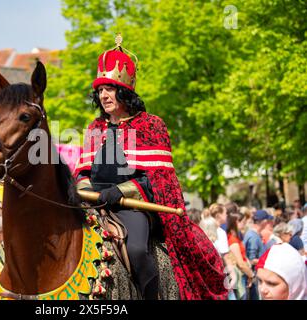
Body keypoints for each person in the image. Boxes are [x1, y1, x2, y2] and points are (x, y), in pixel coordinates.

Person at [73, 36, 226, 300]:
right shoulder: (95, 128)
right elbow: (83, 172)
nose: (104, 95)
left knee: (135, 250)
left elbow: (156, 179)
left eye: (110, 88)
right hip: (93, 204)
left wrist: (119, 191)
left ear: (124, 91)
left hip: (135, 206)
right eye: (100, 90)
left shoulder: (151, 125)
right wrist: (86, 190)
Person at [243, 209, 273, 300]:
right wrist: (268, 261)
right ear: (264, 222)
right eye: (267, 221)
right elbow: (251, 259)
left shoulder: (253, 234)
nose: (268, 223)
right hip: (255, 276)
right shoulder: (253, 236)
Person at [227, 212, 254, 299]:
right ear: (236, 222)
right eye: (243, 222)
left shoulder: (236, 237)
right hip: (240, 277)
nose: (245, 224)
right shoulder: (233, 240)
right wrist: (251, 275)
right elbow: (240, 264)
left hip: (242, 275)